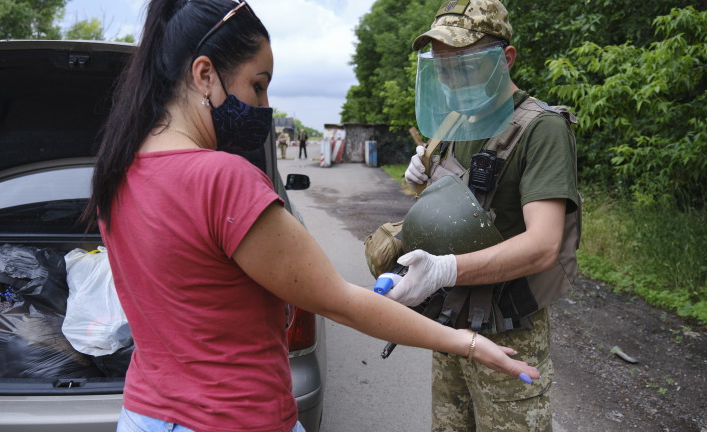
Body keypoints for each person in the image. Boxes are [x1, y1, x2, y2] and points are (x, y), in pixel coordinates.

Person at [86, 1, 539, 432]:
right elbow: (338, 300)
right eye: (257, 84)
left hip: (144, 415)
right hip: (234, 417)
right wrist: (469, 343)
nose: (264, 106)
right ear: (205, 74)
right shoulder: (222, 179)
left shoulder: (117, 173)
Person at [395, 0, 580, 431]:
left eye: (465, 64)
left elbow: (542, 246)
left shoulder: (541, 128)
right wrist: (422, 181)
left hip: (509, 330)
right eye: (442, 66)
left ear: (505, 59)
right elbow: (460, 213)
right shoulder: (453, 124)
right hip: (450, 326)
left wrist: (443, 269)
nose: (451, 78)